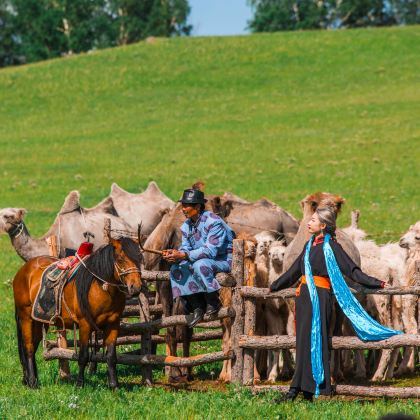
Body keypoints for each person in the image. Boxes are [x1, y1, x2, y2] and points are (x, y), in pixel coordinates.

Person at [270, 205, 401, 402]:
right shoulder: (309, 246)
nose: (309, 222)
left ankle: (309, 388)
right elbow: (293, 272)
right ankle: (299, 388)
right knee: (302, 342)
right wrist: (274, 286)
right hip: (304, 297)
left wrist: (377, 282)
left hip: (321, 297)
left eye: (313, 220)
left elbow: (353, 271)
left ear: (323, 225)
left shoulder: (333, 247)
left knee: (317, 341)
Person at [162, 188, 235, 327]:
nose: (183, 209)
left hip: (223, 260)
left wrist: (184, 255)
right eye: (182, 206)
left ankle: (213, 302)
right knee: (176, 268)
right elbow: (185, 248)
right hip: (202, 259)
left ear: (197, 206)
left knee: (199, 265)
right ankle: (197, 307)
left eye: (186, 206)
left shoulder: (214, 222)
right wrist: (175, 255)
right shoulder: (186, 226)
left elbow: (211, 251)